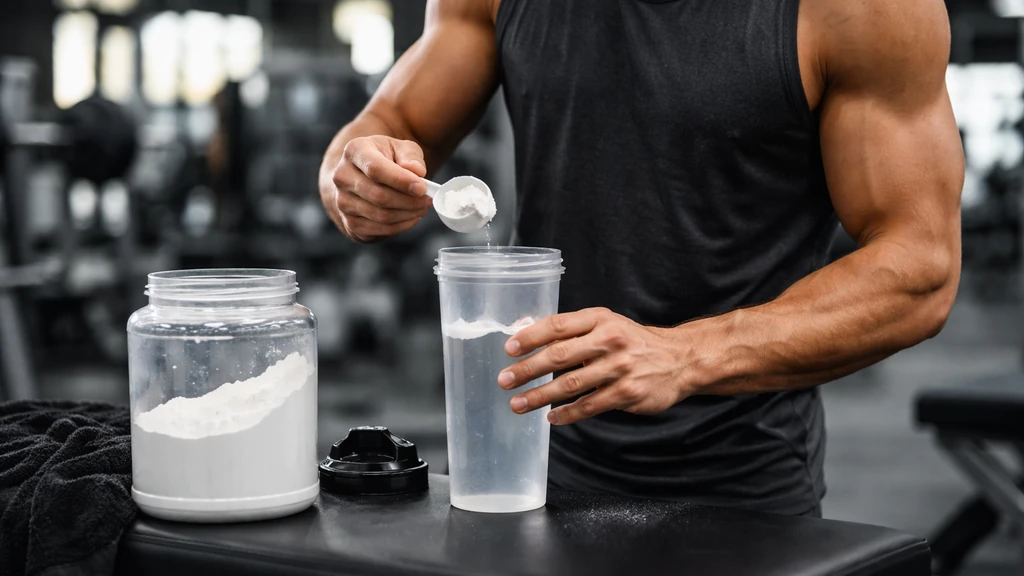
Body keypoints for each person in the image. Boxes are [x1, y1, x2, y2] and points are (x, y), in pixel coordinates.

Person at [319, 0, 963, 517]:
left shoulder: (862, 9)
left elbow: (920, 268)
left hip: (740, 483)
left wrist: (684, 353)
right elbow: (388, 121)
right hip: (531, 470)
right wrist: (356, 176)